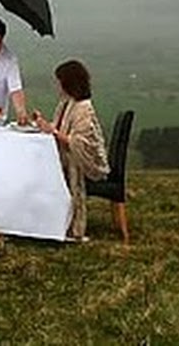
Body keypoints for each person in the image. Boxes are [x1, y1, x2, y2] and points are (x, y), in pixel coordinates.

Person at [34, 59, 109, 241]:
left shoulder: (83, 108)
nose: (56, 85)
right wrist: (44, 125)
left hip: (84, 164)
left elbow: (79, 142)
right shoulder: (66, 104)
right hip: (67, 155)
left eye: (58, 81)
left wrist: (53, 131)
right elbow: (59, 128)